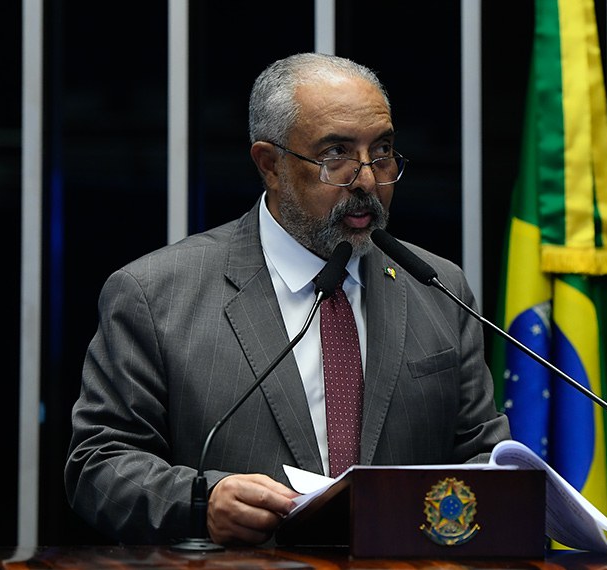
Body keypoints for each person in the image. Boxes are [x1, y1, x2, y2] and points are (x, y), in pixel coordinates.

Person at [65, 52, 510, 546]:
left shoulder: (439, 288)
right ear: (270, 165)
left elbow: (481, 459)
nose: (367, 180)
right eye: (335, 154)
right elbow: (98, 464)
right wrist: (199, 502)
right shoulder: (155, 294)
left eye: (381, 151)